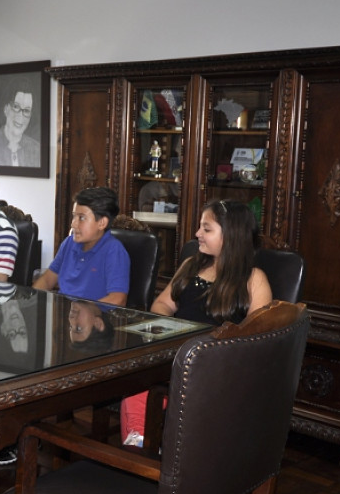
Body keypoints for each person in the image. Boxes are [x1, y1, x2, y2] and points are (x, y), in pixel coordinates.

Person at [118, 199, 273, 446]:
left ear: (231, 235)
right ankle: (140, 445)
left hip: (218, 368)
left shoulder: (253, 279)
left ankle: (161, 450)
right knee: (136, 380)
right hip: (176, 355)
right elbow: (162, 305)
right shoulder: (192, 265)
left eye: (206, 229)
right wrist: (167, 328)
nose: (197, 234)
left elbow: (258, 338)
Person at [33, 187, 130, 306]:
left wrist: (82, 311)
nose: (73, 223)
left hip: (95, 319)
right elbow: (47, 280)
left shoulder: (114, 251)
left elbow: (118, 299)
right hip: (64, 316)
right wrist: (30, 301)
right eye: (74, 216)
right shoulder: (69, 243)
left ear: (102, 223)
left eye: (82, 218)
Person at [0, 82, 40, 168]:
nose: (20, 116)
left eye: (26, 111)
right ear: (6, 108)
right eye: (16, 107)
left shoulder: (37, 149)